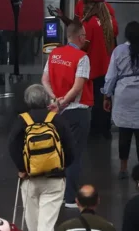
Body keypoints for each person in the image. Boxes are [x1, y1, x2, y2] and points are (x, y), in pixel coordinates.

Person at [8, 84, 75, 231]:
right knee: (46, 225)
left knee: (32, 225)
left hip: (29, 178)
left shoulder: (22, 120)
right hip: (54, 178)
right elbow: (70, 148)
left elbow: (13, 146)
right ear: (46, 100)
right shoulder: (56, 119)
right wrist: (62, 166)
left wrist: (22, 168)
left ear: (27, 101)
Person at [41, 20, 92, 208]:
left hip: (57, 113)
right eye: (85, 36)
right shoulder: (82, 57)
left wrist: (55, 98)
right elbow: (78, 87)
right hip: (76, 112)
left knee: (58, 153)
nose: (86, 39)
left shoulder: (54, 53)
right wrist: (63, 103)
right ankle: (70, 198)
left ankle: (56, 194)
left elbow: (44, 79)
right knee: (74, 155)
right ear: (79, 37)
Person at [103, 21, 139, 179]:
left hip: (124, 97)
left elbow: (110, 77)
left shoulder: (118, 51)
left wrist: (107, 95)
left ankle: (123, 168)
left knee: (124, 133)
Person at [80, 0, 115, 140]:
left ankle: (95, 131)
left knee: (94, 101)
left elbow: (84, 46)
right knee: (106, 98)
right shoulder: (107, 19)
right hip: (107, 66)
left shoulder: (89, 23)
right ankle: (106, 130)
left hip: (93, 68)